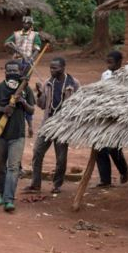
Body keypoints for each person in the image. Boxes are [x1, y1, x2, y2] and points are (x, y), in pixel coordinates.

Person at [0, 61, 36, 212]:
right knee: (0, 167)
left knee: (13, 167)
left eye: (15, 70)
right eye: (10, 70)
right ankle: (1, 193)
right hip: (0, 135)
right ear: (5, 72)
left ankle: (9, 199)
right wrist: (2, 109)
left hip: (18, 135)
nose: (13, 72)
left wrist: (23, 102)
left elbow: (32, 110)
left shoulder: (25, 89)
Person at [27, 57, 80, 194]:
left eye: (54, 68)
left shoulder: (73, 84)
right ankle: (35, 184)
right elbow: (42, 105)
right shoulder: (47, 83)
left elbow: (79, 105)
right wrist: (39, 93)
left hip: (62, 126)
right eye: (50, 68)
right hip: (48, 124)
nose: (52, 70)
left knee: (61, 158)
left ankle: (57, 185)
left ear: (63, 67)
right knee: (37, 152)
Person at [96, 51, 128, 187]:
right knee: (100, 147)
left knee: (113, 147)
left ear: (119, 63)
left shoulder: (126, 77)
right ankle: (105, 180)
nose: (108, 65)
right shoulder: (105, 75)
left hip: (119, 115)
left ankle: (124, 169)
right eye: (107, 62)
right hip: (105, 114)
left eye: (111, 62)